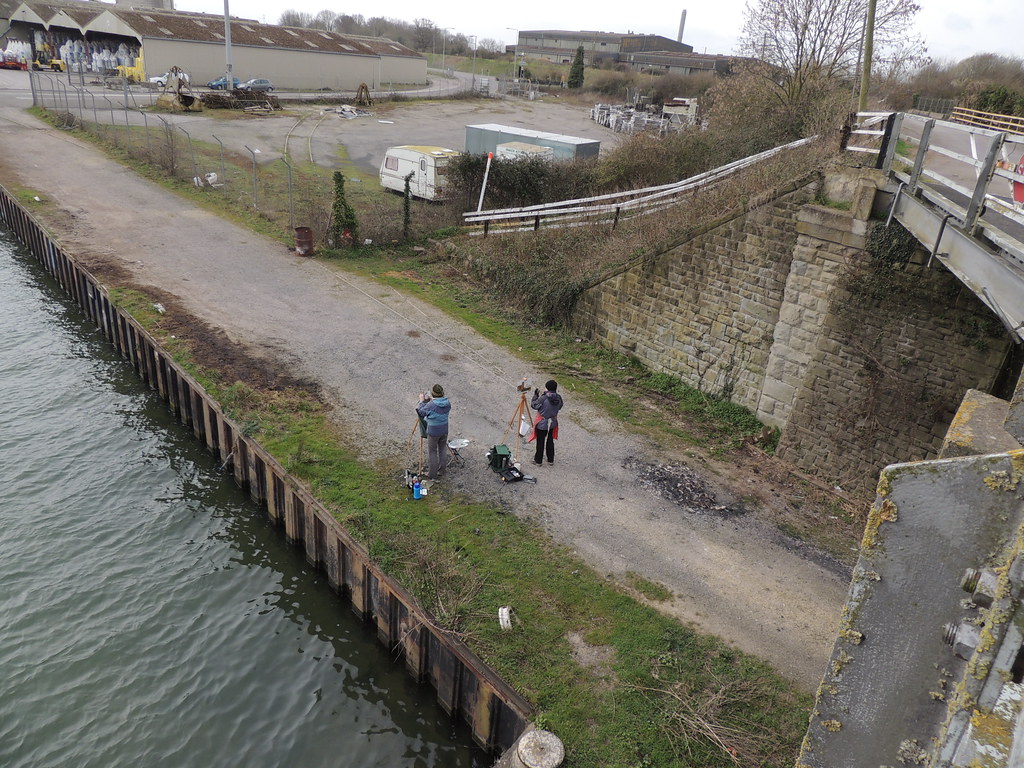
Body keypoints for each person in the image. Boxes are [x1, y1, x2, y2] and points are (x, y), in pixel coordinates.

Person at [416, 384, 451, 480]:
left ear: (433, 394)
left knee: (432, 452)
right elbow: (438, 409)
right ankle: (442, 470)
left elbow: (421, 412)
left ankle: (433, 474)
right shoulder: (447, 403)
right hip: (444, 429)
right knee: (442, 449)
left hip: (433, 431)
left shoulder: (431, 404)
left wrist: (421, 401)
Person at [531, 379, 563, 466]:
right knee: (550, 441)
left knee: (540, 442)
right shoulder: (559, 398)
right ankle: (550, 459)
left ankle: (538, 461)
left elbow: (534, 405)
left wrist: (535, 396)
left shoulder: (543, 398)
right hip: (552, 422)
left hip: (542, 423)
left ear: (547, 388)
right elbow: (560, 406)